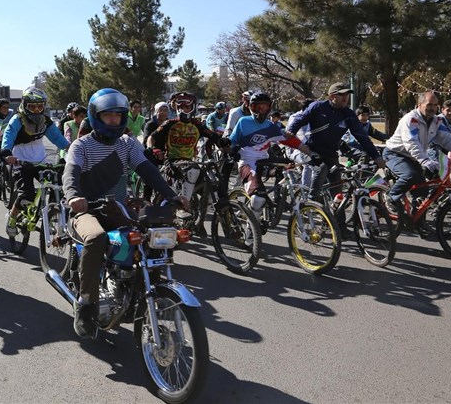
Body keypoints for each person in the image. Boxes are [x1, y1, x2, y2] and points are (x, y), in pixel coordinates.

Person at [64, 88, 190, 338]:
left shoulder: (126, 144)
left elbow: (146, 169)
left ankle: (138, 291)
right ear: (95, 116)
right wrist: (73, 196)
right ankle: (86, 303)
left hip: (117, 208)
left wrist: (171, 194)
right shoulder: (82, 145)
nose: (114, 120)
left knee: (149, 237)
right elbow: (71, 173)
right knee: (96, 238)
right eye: (108, 115)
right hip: (87, 209)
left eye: (118, 116)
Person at [383, 91, 451, 235]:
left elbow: (447, 139)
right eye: (429, 104)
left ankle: (417, 223)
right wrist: (424, 160)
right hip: (395, 153)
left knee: (423, 191)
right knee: (410, 175)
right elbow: (411, 142)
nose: (432, 108)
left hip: (414, 157)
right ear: (419, 105)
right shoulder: (410, 119)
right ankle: (392, 198)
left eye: (435, 105)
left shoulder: (436, 121)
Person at [287, 83, 386, 208]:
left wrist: (376, 157)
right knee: (321, 168)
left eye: (347, 94)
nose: (345, 97)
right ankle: (311, 203)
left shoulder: (349, 114)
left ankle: (338, 222)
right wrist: (291, 131)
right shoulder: (318, 107)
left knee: (337, 193)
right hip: (311, 151)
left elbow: (363, 138)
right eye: (341, 95)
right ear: (331, 96)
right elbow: (299, 119)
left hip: (331, 154)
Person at [147, 92, 230, 234]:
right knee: (193, 170)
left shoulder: (197, 124)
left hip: (190, 162)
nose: (184, 109)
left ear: (193, 107)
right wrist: (152, 149)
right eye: (181, 106)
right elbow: (151, 138)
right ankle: (182, 208)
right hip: (172, 162)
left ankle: (198, 220)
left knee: (211, 186)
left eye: (187, 106)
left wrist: (225, 144)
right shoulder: (170, 123)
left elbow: (213, 136)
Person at [229, 92, 316, 215]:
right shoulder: (243, 122)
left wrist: (312, 154)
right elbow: (231, 142)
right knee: (258, 198)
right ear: (251, 107)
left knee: (283, 171)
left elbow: (292, 141)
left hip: (264, 162)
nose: (262, 111)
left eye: (265, 107)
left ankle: (276, 200)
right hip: (247, 163)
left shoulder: (271, 126)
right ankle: (251, 228)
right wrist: (230, 151)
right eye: (258, 107)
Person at [0, 87, 71, 236]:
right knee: (27, 195)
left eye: (40, 106)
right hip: (20, 160)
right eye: (32, 106)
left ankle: (49, 217)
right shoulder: (17, 119)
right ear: (24, 105)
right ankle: (12, 218)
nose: (37, 110)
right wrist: (6, 152)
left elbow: (58, 138)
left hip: (41, 159)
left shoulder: (46, 121)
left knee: (56, 185)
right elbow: (8, 135)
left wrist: (72, 149)